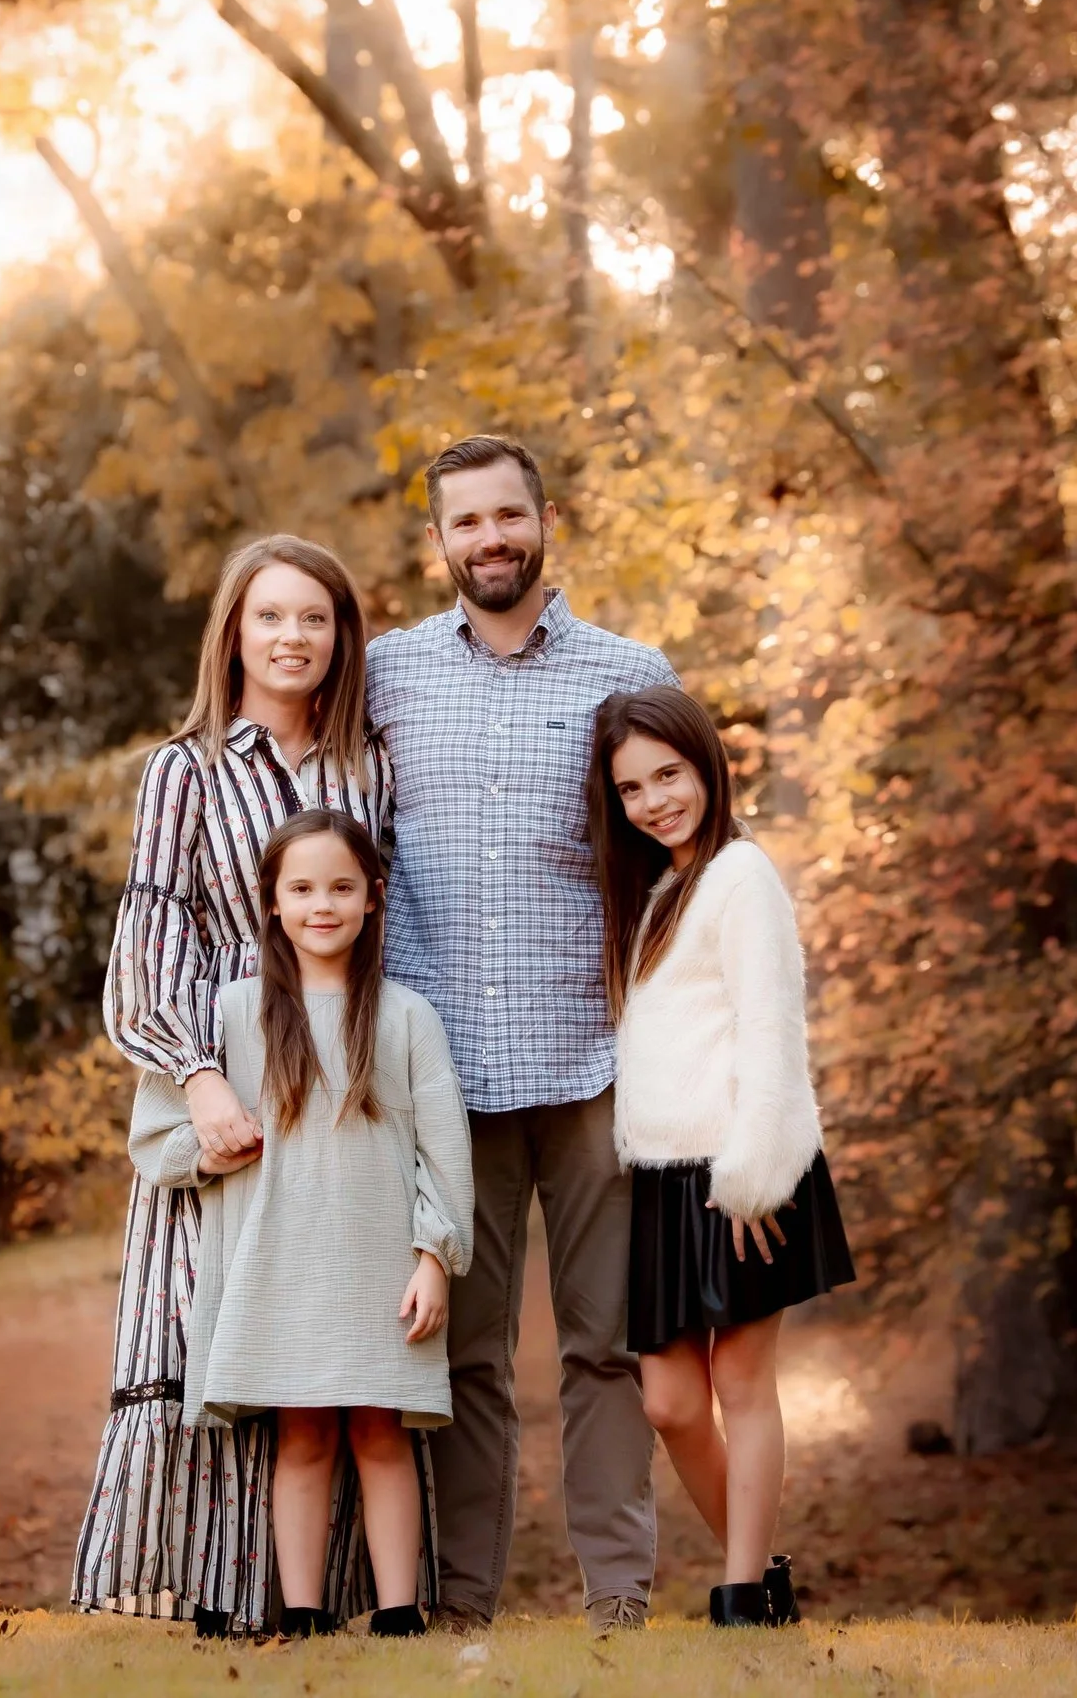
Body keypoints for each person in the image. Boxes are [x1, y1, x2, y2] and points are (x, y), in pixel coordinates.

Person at [367, 434, 679, 1633]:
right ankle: (459, 1612)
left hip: (598, 1063)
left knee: (606, 1347)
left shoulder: (628, 669)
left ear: (544, 518)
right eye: (465, 522)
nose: (489, 539)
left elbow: (678, 852)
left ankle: (619, 1604)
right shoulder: (388, 675)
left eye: (508, 515)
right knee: (461, 1357)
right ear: (438, 540)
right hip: (443, 1077)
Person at [74, 535, 407, 1637]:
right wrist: (199, 1077)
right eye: (270, 617)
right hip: (232, 1091)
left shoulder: (367, 764)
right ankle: (221, 1595)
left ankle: (328, 1599)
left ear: (340, 636)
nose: (292, 638)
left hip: (346, 1089)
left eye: (313, 618)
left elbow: (382, 934)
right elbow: (148, 945)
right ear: (234, 632)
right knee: (207, 1331)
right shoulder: (186, 769)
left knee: (336, 1348)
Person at [128, 811, 474, 1640]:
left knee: (383, 1435)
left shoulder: (405, 1017)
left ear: (373, 899)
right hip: (279, 1267)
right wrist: (211, 1151)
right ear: (272, 904)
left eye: (342, 887)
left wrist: (434, 1257)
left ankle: (398, 1617)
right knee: (304, 1438)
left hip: (380, 1270)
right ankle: (307, 1613)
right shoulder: (231, 1014)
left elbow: (446, 1152)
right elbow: (156, 1144)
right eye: (303, 888)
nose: (324, 904)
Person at [587, 685, 853, 1628]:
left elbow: (774, 1032)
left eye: (670, 775)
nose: (656, 800)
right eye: (632, 788)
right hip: (664, 1178)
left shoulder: (742, 875)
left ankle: (741, 1597)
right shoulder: (660, 888)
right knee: (668, 1400)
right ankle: (764, 1570)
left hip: (746, 1172)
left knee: (741, 1386)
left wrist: (755, 1174)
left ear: (707, 767)